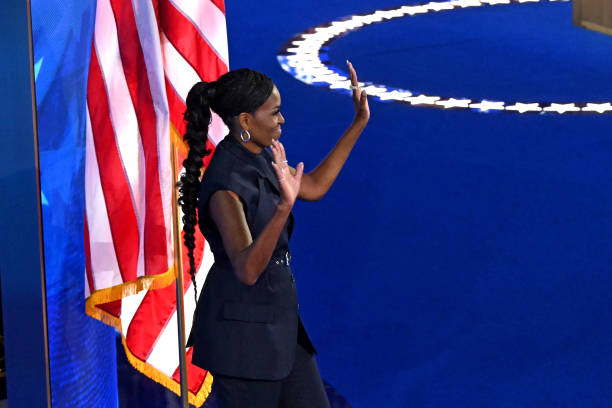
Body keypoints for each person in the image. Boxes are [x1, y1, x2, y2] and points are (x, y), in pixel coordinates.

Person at [177, 61, 369, 408]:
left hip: (278, 324)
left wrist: (357, 125)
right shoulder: (224, 186)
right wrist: (283, 208)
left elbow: (311, 186)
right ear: (246, 121)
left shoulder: (256, 154)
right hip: (242, 342)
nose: (282, 120)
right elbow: (247, 269)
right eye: (275, 113)